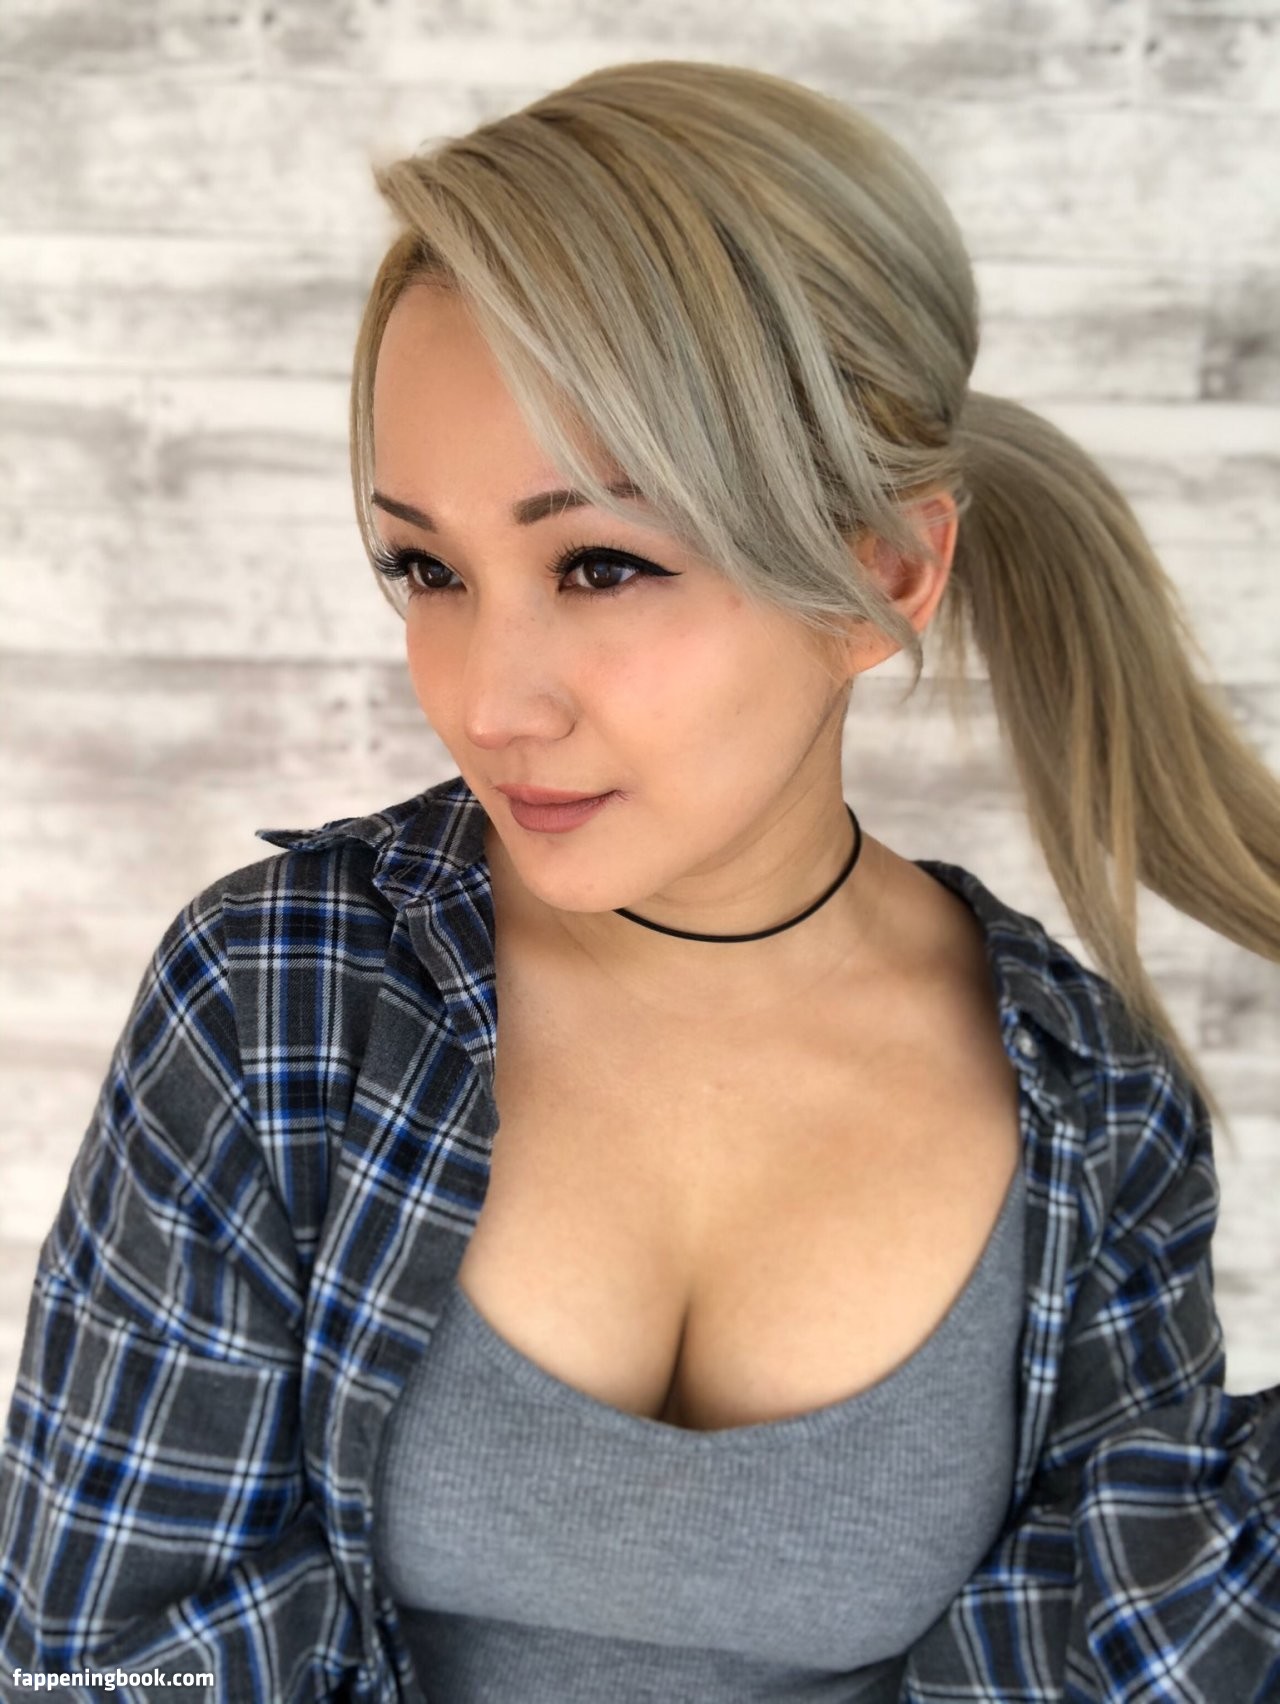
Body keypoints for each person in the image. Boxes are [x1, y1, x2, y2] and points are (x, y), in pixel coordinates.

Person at [2, 56, 1278, 1704]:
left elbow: (1140, 1663)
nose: (487, 700)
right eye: (427, 568)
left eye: (601, 564)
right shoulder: (282, 1006)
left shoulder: (1093, 1114)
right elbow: (109, 1665)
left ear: (883, 572)